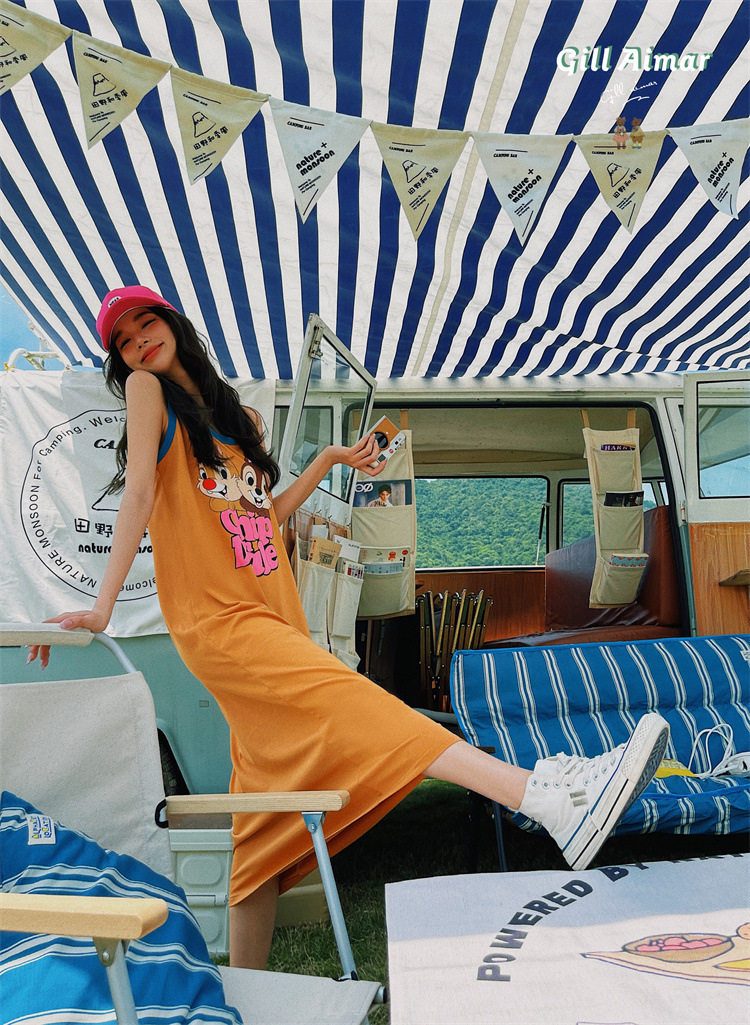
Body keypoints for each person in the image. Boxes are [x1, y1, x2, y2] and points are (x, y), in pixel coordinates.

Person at [28, 286, 670, 971]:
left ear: (172, 324)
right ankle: (542, 795)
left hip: (270, 611)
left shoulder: (236, 419)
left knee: (262, 819)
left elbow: (263, 517)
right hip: (218, 620)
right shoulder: (147, 393)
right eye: (123, 341)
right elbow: (139, 492)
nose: (138, 343)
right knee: (366, 706)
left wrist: (331, 460)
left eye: (145, 323)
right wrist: (102, 606)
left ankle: (242, 988)